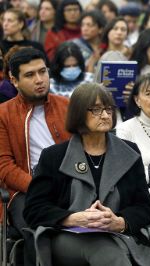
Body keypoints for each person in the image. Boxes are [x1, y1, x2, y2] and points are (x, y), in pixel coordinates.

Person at [23, 82, 150, 266]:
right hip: (65, 237)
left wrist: (119, 222)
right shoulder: (54, 156)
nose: (105, 115)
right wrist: (71, 218)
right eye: (96, 110)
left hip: (116, 235)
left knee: (110, 249)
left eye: (108, 109)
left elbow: (143, 206)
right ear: (79, 114)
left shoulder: (129, 151)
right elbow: (34, 209)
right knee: (105, 250)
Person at [0, 47, 70, 264]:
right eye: (30, 75)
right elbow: (4, 166)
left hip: (70, 185)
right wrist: (39, 186)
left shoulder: (66, 106)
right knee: (38, 232)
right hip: (25, 191)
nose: (39, 79)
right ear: (14, 80)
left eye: (42, 71)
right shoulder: (3, 114)